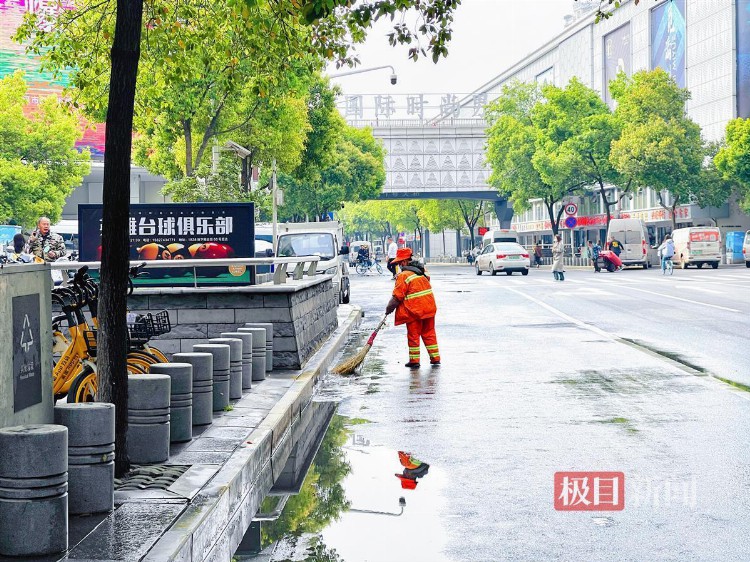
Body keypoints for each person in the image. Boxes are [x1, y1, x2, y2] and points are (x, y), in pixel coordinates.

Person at [385, 247, 440, 368]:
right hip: (429, 308)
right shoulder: (422, 271)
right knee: (429, 333)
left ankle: (414, 361)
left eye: (399, 263)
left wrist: (388, 309)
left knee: (413, 335)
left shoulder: (404, 276)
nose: (399, 265)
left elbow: (397, 297)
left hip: (415, 311)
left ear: (404, 262)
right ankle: (435, 358)